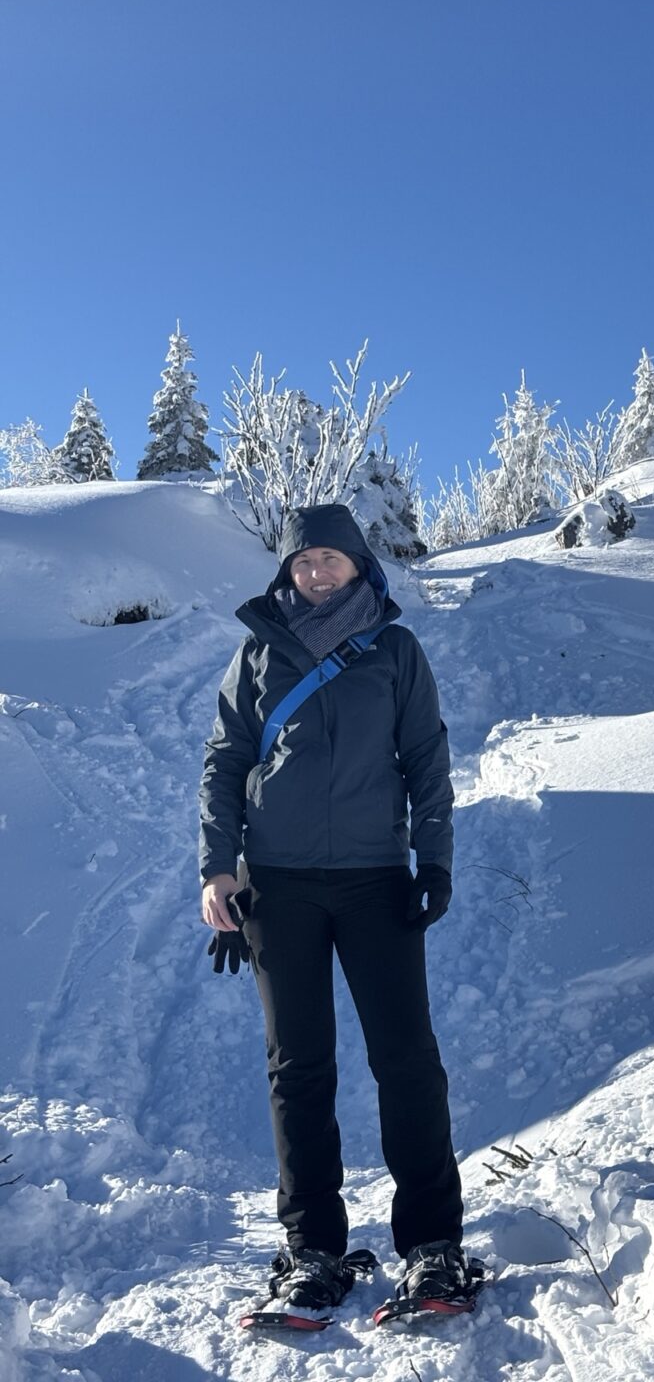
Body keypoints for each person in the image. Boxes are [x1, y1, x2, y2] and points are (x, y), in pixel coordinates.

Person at [198, 502, 470, 1315]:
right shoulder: (255, 656)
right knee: (299, 1067)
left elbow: (426, 758)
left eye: (330, 560)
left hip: (375, 880)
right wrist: (219, 870)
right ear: (287, 571)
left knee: (406, 1060)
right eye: (302, 562)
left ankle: (431, 1244)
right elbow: (224, 763)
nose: (315, 573)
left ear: (359, 565)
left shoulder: (395, 650)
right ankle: (311, 1245)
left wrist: (436, 859)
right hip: (277, 890)